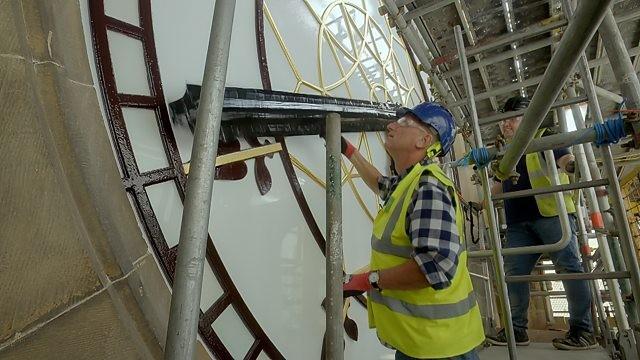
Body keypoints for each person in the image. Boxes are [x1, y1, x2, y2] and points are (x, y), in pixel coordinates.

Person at [335, 102, 485, 359]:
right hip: (420, 340)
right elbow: (380, 184)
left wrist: (367, 280)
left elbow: (435, 269)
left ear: (424, 140)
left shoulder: (428, 187)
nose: (391, 125)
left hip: (440, 346)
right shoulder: (410, 181)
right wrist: (349, 151)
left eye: (404, 123)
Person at [485, 96, 596, 350]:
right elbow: (501, 183)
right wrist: (480, 202)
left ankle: (582, 330)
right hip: (518, 222)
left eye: (511, 119)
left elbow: (564, 159)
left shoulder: (546, 135)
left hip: (552, 216)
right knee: (514, 275)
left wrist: (573, 166)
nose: (506, 125)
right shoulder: (506, 151)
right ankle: (516, 330)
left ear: (528, 118)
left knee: (569, 269)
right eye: (503, 122)